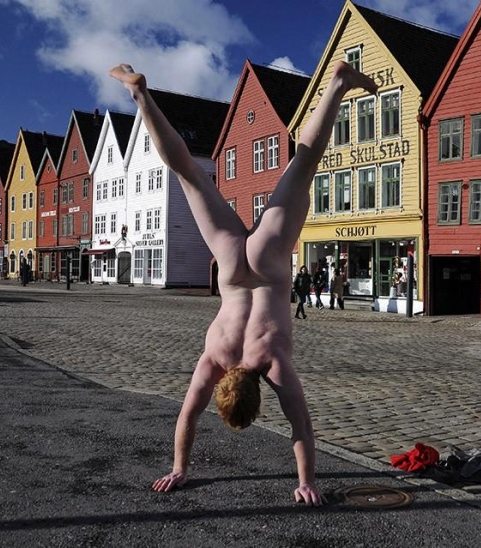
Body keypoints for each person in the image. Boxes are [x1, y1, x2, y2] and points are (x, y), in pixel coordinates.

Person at [109, 61, 377, 506]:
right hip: (233, 265)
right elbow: (188, 415)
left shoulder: (272, 363)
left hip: (269, 263)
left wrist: (307, 481)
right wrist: (178, 467)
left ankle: (338, 84)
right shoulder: (215, 358)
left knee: (304, 163)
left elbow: (300, 427)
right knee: (187, 172)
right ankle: (141, 97)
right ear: (225, 388)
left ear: (257, 397)